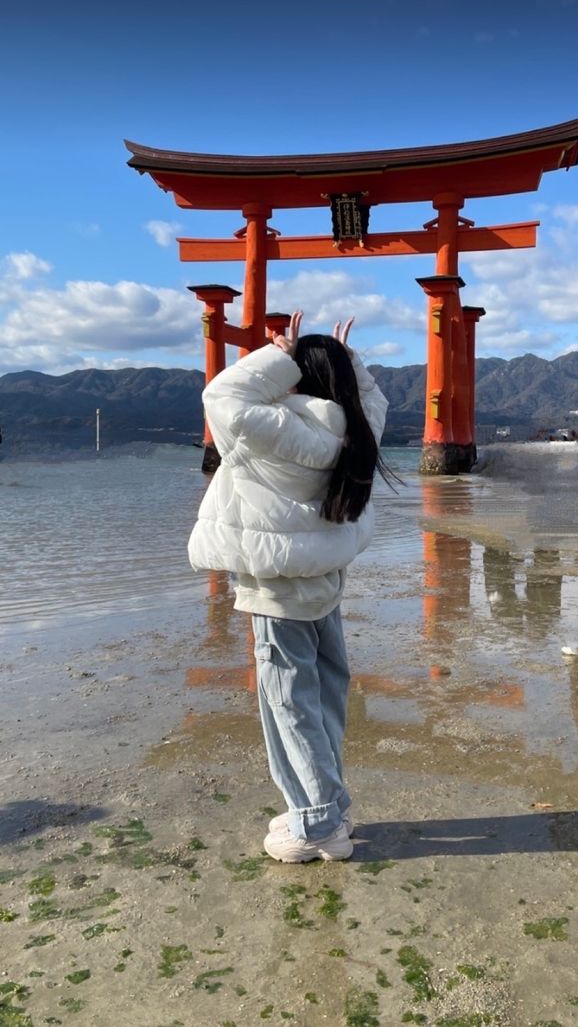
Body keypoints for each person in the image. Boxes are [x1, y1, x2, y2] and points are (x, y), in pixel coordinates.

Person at [188, 311, 388, 862]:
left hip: (278, 588)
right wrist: (351, 366)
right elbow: (376, 403)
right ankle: (329, 804)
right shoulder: (355, 430)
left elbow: (221, 395)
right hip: (324, 582)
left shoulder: (274, 428)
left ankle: (317, 822)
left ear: (295, 376)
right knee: (322, 694)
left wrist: (278, 355)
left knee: (286, 701)